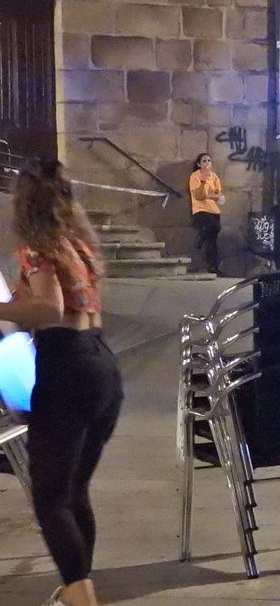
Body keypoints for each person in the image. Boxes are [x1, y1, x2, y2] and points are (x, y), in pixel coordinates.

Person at [0, 162, 122, 606]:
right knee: (73, 491)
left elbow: (50, 310)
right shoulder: (78, 246)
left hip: (67, 368)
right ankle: (74, 589)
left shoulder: (36, 247)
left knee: (49, 498)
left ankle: (80, 597)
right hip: (103, 365)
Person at [189, 153, 223, 275]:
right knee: (215, 226)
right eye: (204, 161)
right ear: (199, 164)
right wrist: (203, 183)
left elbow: (218, 195)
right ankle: (200, 238)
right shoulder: (195, 176)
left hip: (214, 210)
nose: (207, 163)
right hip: (200, 210)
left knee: (212, 241)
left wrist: (209, 196)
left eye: (209, 160)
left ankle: (213, 266)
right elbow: (198, 196)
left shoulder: (214, 177)